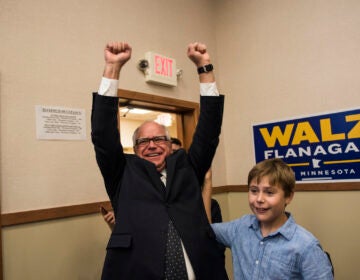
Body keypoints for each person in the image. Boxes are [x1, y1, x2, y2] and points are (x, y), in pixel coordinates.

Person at [91, 41, 228, 279]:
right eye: (144, 142)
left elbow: (209, 131)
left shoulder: (188, 167)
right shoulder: (122, 173)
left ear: (169, 144)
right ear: (134, 148)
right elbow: (102, 135)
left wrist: (205, 68)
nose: (152, 145)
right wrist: (112, 68)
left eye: (159, 139)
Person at [207, 158, 334, 280]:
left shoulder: (306, 246)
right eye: (254, 191)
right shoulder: (239, 228)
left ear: (288, 196)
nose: (259, 199)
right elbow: (205, 229)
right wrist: (207, 182)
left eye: (269, 192)